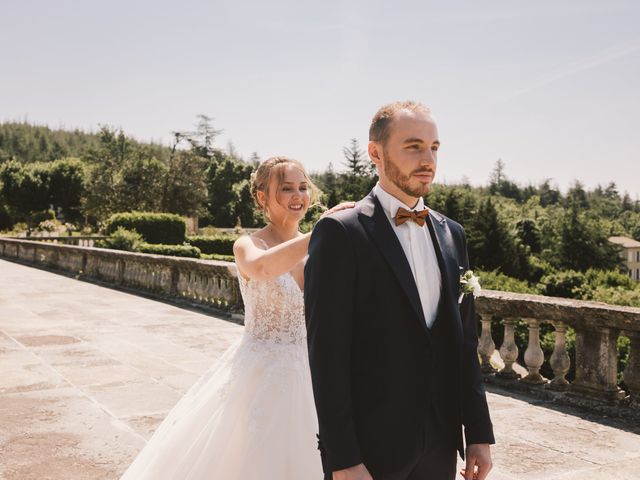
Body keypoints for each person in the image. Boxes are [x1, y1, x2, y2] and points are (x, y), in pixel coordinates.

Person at [121, 156, 353, 479]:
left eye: (303, 187)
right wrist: (322, 232)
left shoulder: (319, 249)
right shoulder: (248, 244)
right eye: (286, 189)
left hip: (313, 373)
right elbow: (262, 268)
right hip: (261, 375)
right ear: (262, 198)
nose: (298, 195)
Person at [305, 101, 495, 480]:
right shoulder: (341, 232)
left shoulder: (451, 233)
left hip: (440, 444)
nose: (428, 159)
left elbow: (464, 344)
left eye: (434, 147)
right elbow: (326, 356)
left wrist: (478, 433)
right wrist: (342, 458)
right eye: (413, 146)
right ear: (376, 153)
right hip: (370, 449)